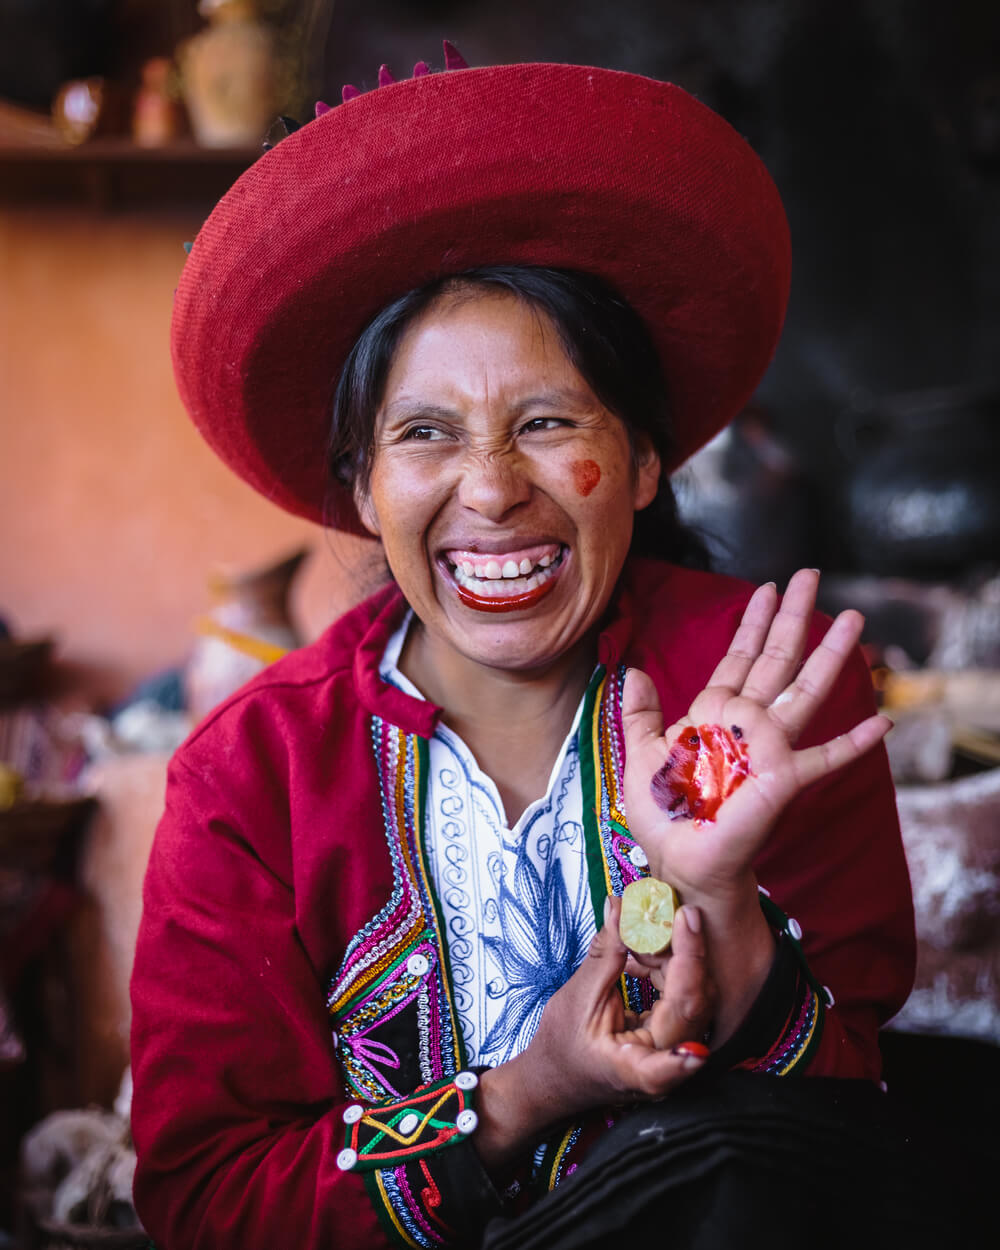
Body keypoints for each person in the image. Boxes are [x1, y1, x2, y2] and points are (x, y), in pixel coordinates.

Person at [130, 50, 917, 1249]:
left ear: (647, 462)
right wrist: (518, 1095)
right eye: (425, 433)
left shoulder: (762, 687)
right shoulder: (251, 775)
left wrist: (723, 904)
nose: (490, 490)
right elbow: (207, 1194)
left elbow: (851, 1120)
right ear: (361, 484)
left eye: (548, 423)